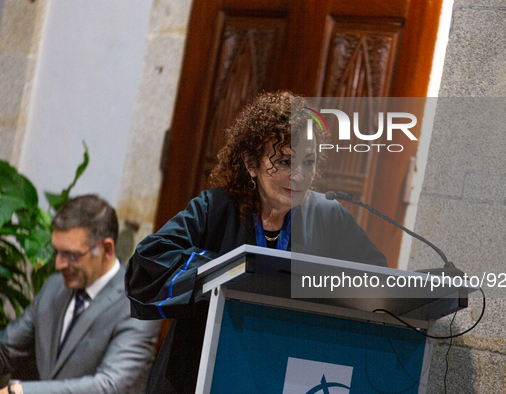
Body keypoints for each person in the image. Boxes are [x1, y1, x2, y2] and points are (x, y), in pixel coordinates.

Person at [125, 91, 387, 393]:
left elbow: (375, 280)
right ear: (251, 163)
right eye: (285, 161)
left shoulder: (329, 218)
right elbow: (149, 261)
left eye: (309, 162)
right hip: (200, 371)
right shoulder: (216, 208)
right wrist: (227, 273)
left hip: (289, 373)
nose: (299, 176)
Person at [0, 195, 161, 394]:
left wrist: (19, 392)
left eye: (71, 255)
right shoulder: (54, 287)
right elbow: (7, 349)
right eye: (57, 251)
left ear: (106, 249)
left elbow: (111, 386)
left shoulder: (139, 304)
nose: (59, 264)